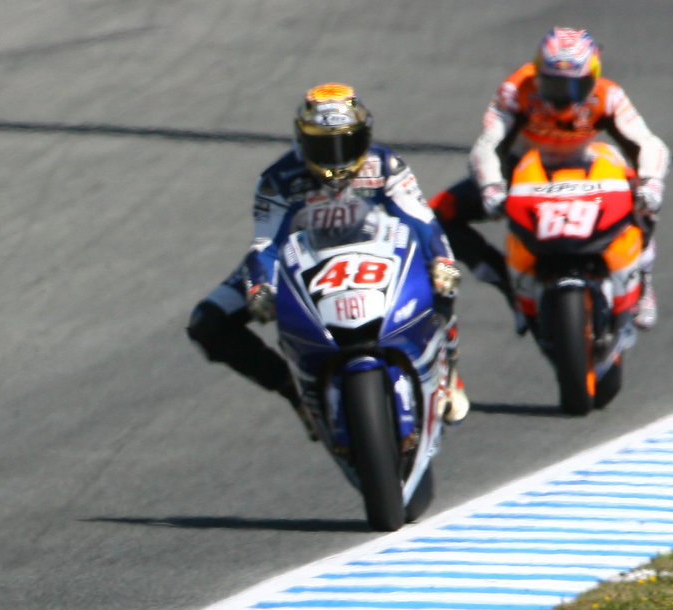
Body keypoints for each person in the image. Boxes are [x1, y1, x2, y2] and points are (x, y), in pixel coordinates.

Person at [188, 82, 469, 433]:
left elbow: (422, 220)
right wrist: (259, 285)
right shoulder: (278, 179)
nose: (336, 159)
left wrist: (441, 259)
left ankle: (448, 369)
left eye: (345, 143)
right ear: (302, 140)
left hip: (379, 255)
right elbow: (264, 244)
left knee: (442, 280)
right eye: (323, 146)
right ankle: (295, 391)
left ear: (364, 136)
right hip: (301, 264)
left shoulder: (386, 164)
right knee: (207, 322)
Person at [430, 26, 671, 330]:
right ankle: (508, 284)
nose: (563, 100)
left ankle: (643, 280)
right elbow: (487, 144)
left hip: (584, 162)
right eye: (553, 86)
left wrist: (651, 182)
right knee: (440, 213)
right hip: (523, 167)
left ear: (592, 78)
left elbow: (648, 143)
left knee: (640, 192)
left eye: (574, 88)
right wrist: (492, 186)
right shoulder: (516, 91)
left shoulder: (608, 95)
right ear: (538, 73)